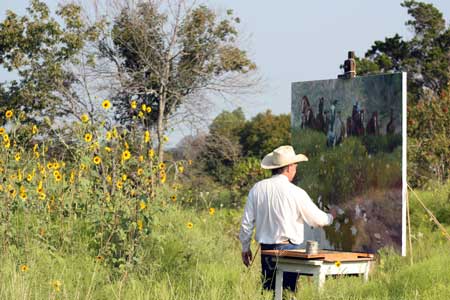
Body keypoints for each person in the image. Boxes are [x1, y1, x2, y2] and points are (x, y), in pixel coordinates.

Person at [239, 145, 336, 292]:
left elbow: (246, 223)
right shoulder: (296, 192)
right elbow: (318, 220)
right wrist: (331, 216)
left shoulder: (257, 189)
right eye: (295, 167)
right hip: (289, 250)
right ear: (289, 167)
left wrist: (245, 248)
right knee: (287, 293)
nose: (295, 170)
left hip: (266, 250)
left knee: (269, 292)